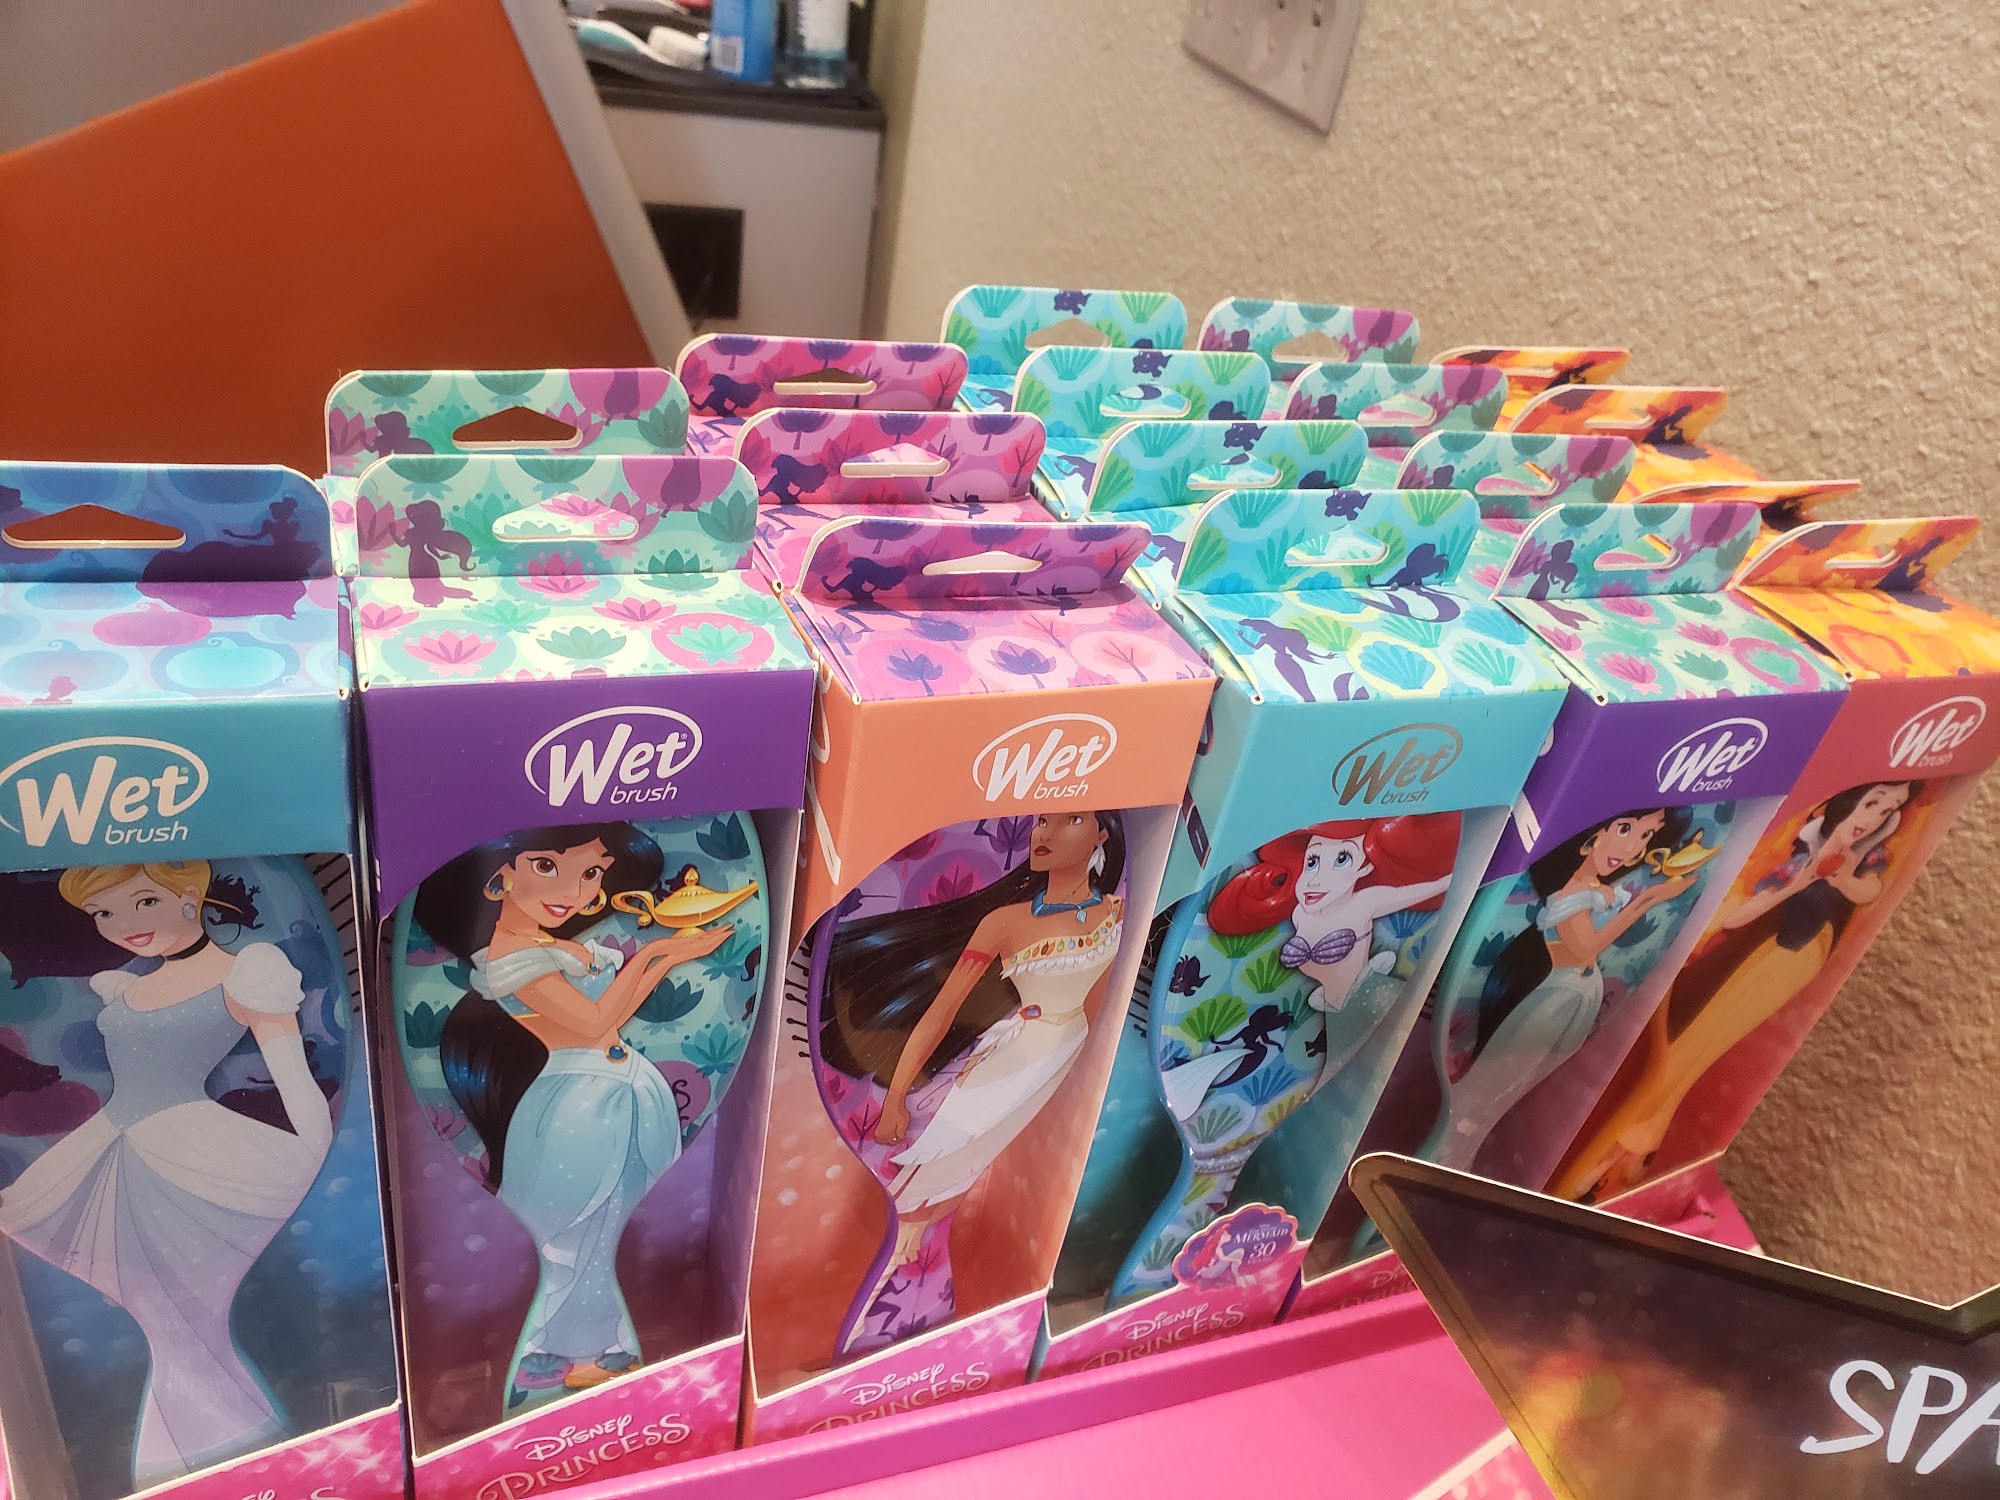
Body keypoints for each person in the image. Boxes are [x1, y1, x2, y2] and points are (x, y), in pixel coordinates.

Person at [0, 860, 330, 1488]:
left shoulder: (248, 973)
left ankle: (203, 1471)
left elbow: (294, 1077)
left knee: (186, 1326)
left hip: (192, 1154)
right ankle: (242, 1467)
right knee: (172, 1327)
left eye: (144, 902)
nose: (123, 924)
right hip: (108, 1151)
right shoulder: (127, 987)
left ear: (188, 893)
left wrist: (309, 1157)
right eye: (104, 912)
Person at [412, 824, 733, 1408]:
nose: (574, 890)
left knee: (606, 1230)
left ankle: (599, 1352)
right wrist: (659, 953)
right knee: (573, 1233)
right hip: (575, 1105)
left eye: (590, 874)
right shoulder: (510, 956)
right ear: (499, 874)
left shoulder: (550, 946)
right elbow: (592, 1023)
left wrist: (663, 956)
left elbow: (608, 1020)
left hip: (626, 1090)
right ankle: (566, 1359)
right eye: (547, 867)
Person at [818, 811, 1125, 1355]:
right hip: (1003, 1074)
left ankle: (913, 1332)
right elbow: (940, 1012)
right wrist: (895, 1098)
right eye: (1042, 821)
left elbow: (1094, 1002)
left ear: (1103, 834)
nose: (1044, 833)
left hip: (1054, 1064)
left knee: (946, 1197)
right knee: (918, 1200)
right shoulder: (1004, 922)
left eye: (1071, 820)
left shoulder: (1112, 912)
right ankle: (872, 1340)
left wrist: (1072, 1061)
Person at [1556, 782, 1913, 1199]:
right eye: (1871, 803)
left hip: (1796, 958)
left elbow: (1869, 891)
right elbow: (1738, 918)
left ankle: (1609, 1171)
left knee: (1686, 1064)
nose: (1874, 817)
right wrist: (1801, 882)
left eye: (1889, 809)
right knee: (1674, 1060)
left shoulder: (1868, 859)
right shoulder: (1798, 857)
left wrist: (1842, 874)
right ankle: (1608, 1168)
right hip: (1743, 954)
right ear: (1845, 803)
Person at [1426, 808, 1700, 1172]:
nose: (1634, 846)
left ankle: (1455, 1154)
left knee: (1499, 1092)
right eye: (1625, 829)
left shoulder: (1595, 890)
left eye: (1646, 836)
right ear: (1591, 838)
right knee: (1491, 1087)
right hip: (1555, 1000)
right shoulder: (1570, 894)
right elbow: (1589, 947)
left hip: (1577, 997)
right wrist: (1649, 900)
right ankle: (1452, 1154)